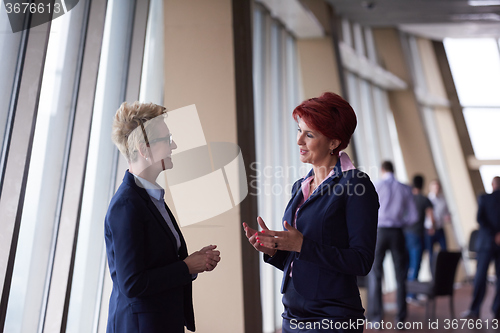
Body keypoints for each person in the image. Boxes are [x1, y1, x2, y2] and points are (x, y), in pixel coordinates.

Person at [243, 92, 379, 333]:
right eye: (299, 130)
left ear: (334, 142)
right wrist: (274, 250)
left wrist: (302, 245)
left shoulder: (356, 185)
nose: (299, 141)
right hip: (292, 312)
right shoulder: (300, 186)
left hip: (333, 317)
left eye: (309, 134)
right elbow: (301, 259)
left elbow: (362, 261)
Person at [104, 102, 221, 333]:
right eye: (167, 140)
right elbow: (132, 284)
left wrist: (193, 262)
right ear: (144, 149)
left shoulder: (150, 197)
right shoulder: (127, 206)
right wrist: (186, 267)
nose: (173, 145)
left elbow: (156, 264)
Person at [366, 161, 418, 326]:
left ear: (382, 170)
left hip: (379, 232)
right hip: (397, 233)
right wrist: (401, 221)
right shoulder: (404, 188)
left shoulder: (376, 185)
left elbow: (366, 210)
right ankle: (401, 318)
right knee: (400, 275)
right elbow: (414, 216)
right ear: (394, 170)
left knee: (375, 274)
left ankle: (376, 318)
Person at [463, 176, 500, 320]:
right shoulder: (484, 198)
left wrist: (493, 234)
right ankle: (497, 310)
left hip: (486, 243)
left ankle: (474, 310)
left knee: (480, 276)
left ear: (492, 184)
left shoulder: (484, 198)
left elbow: (480, 219)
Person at [405, 175, 434, 303]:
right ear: (422, 184)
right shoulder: (424, 199)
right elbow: (431, 218)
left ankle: (405, 293)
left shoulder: (407, 199)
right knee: (416, 264)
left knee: (406, 265)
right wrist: (432, 228)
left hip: (405, 235)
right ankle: (412, 295)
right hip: (417, 235)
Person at [425, 179, 450, 269]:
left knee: (444, 252)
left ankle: (445, 272)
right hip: (430, 230)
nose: (437, 189)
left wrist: (447, 217)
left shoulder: (443, 200)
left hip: (440, 228)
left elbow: (446, 213)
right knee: (431, 254)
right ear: (431, 188)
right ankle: (433, 276)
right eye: (435, 187)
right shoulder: (427, 200)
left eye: (438, 187)